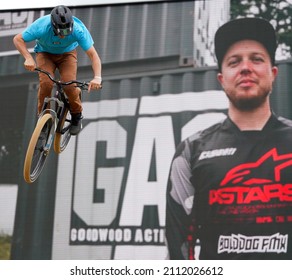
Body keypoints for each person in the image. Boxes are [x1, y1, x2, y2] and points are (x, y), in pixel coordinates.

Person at [165, 17, 292, 260]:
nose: (246, 67)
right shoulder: (192, 151)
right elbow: (178, 250)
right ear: (222, 79)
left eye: (256, 59)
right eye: (234, 62)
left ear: (273, 73)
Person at [13, 5, 102, 135]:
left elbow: (93, 55)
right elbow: (18, 39)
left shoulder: (79, 30)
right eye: (61, 32)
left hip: (68, 54)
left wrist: (97, 77)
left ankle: (77, 115)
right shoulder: (41, 26)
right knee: (46, 83)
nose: (64, 35)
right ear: (53, 26)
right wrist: (28, 58)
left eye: (67, 32)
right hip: (44, 53)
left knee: (69, 85)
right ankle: (44, 119)